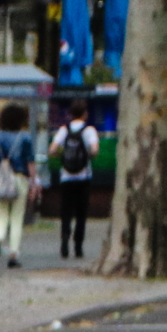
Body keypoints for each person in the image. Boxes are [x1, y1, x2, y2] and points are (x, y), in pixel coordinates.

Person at [0, 104, 37, 268]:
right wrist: (34, 184)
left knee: (1, 216)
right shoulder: (25, 137)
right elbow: (30, 163)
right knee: (17, 218)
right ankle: (13, 255)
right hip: (19, 179)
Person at [50, 99, 97, 259]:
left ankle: (64, 240)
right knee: (81, 213)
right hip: (84, 176)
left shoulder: (64, 130)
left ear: (70, 114)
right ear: (85, 114)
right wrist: (86, 157)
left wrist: (64, 156)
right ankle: (78, 246)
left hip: (66, 177)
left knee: (66, 211)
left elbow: (52, 150)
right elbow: (95, 151)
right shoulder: (89, 130)